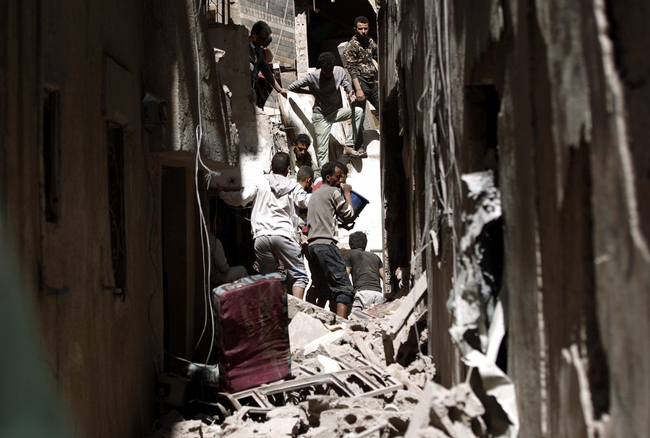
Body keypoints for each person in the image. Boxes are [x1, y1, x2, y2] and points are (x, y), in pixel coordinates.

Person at [216, 152, 310, 299]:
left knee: (270, 278)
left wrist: (222, 194)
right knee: (300, 276)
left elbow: (241, 198)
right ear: (287, 169)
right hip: (283, 235)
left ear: (271, 167)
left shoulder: (259, 181)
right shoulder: (293, 185)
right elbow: (306, 201)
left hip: (261, 237)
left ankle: (276, 310)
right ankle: (296, 314)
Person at [283, 52, 364, 169]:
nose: (328, 73)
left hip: (336, 112)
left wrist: (350, 91)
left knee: (358, 112)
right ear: (321, 69)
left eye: (330, 70)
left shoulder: (339, 71)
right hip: (321, 117)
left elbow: (345, 82)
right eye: (325, 70)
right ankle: (326, 178)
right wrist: (311, 92)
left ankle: (349, 146)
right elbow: (292, 87)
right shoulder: (313, 77)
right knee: (322, 152)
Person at [306, 162, 356, 317]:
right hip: (326, 245)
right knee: (343, 286)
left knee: (323, 288)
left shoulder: (315, 194)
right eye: (338, 175)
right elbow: (348, 214)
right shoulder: (334, 192)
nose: (341, 179)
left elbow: (325, 217)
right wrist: (347, 193)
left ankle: (316, 320)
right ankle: (342, 326)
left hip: (313, 246)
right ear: (328, 177)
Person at [343, 16, 379, 157]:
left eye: (365, 28)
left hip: (372, 83)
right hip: (361, 83)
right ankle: (360, 147)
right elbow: (351, 69)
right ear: (355, 29)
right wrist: (358, 89)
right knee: (360, 115)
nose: (363, 31)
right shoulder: (351, 46)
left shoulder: (370, 42)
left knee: (382, 109)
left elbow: (376, 58)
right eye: (360, 29)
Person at [343, 231, 384, 311]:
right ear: (365, 243)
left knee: (356, 318)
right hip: (377, 293)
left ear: (350, 243)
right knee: (377, 319)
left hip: (362, 293)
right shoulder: (375, 257)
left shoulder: (349, 254)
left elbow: (345, 275)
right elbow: (385, 277)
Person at [250, 21, 286, 104]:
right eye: (262, 39)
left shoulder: (259, 51)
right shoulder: (244, 46)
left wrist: (280, 90)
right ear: (254, 34)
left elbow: (266, 70)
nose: (263, 42)